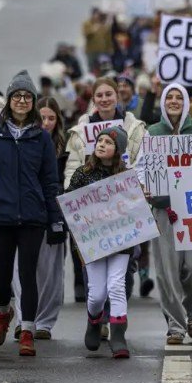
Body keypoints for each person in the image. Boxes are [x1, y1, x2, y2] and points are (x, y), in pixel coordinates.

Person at [0, 70, 66, 357]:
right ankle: (4, 311)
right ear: (9, 101)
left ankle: (27, 330)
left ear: (33, 102)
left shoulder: (41, 138)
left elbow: (50, 181)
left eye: (27, 97)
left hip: (32, 217)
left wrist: (55, 219)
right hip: (0, 215)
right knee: (0, 280)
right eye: (17, 96)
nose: (22, 101)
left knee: (28, 276)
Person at [64, 77, 148, 301]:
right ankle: (98, 319)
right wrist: (73, 196)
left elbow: (142, 163)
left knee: (122, 271)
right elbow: (72, 166)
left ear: (117, 97)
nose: (104, 99)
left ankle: (116, 315)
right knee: (94, 267)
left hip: (124, 207)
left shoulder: (135, 128)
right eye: (99, 95)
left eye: (108, 94)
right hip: (91, 210)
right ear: (93, 99)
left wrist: (137, 192)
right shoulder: (81, 131)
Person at [146, 82, 192, 344]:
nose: (173, 101)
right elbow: (143, 167)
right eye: (169, 97)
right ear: (163, 103)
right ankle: (175, 325)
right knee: (167, 272)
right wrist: (145, 188)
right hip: (164, 210)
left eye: (179, 98)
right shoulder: (152, 132)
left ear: (186, 103)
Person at [67, 126, 134, 358]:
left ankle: (118, 335)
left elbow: (135, 211)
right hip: (93, 243)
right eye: (100, 140)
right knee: (96, 294)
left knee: (116, 286)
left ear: (118, 150)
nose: (102, 144)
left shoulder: (126, 176)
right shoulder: (82, 174)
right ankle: (94, 320)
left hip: (120, 242)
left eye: (109, 142)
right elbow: (71, 208)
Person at [15, 97, 69, 340]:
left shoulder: (65, 147)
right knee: (25, 267)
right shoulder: (26, 141)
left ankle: (45, 320)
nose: (46, 123)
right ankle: (23, 318)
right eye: (42, 118)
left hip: (55, 210)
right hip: (27, 210)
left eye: (51, 118)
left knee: (51, 270)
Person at [82, 8, 114, 73]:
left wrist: (110, 48)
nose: (98, 16)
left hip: (102, 51)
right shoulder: (87, 23)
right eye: (96, 14)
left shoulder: (103, 24)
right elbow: (86, 35)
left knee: (103, 68)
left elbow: (107, 37)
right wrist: (93, 29)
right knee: (91, 68)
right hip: (91, 51)